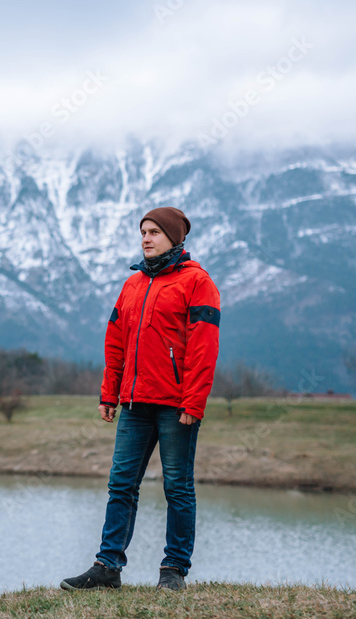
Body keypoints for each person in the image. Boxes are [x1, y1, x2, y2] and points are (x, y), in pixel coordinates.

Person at [61, 206, 221, 592]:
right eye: (143, 232)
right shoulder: (133, 284)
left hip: (174, 404)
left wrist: (193, 403)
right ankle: (107, 567)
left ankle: (174, 570)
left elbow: (203, 349)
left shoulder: (198, 282)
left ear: (174, 238)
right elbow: (115, 342)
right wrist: (109, 392)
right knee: (121, 485)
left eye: (154, 232)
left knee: (177, 487)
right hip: (133, 404)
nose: (146, 238)